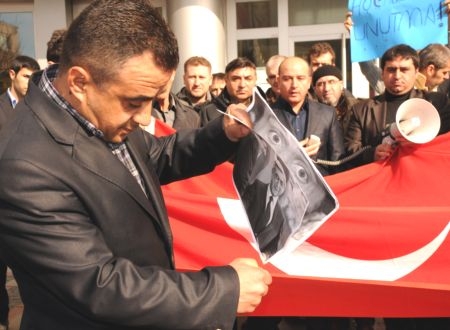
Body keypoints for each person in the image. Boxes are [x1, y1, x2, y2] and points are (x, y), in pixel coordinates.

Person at [0, 1, 272, 329]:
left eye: (153, 99)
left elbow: (156, 155)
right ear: (79, 83)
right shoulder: (22, 165)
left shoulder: (100, 112)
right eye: (134, 102)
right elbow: (99, 286)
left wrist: (223, 134)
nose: (145, 118)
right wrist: (222, 291)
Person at [345, 44, 450, 169]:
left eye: (404, 70)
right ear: (382, 73)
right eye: (391, 70)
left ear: (416, 73)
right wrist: (372, 154)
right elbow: (348, 151)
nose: (397, 76)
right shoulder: (361, 110)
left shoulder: (436, 103)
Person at [272, 56, 345, 176]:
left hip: (319, 189)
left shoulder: (327, 113)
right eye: (287, 79)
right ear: (278, 81)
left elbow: (338, 162)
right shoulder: (266, 114)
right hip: (280, 188)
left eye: (300, 78)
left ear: (309, 82)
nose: (294, 85)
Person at [201, 57, 261, 125]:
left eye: (248, 79)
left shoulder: (268, 108)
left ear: (255, 79)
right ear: (226, 80)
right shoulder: (209, 112)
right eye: (236, 79)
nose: (242, 85)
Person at [312, 64, 359, 136]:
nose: (326, 88)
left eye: (331, 82)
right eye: (321, 84)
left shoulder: (358, 110)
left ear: (341, 85)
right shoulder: (309, 113)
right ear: (315, 89)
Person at [0, 55, 40, 129]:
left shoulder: (38, 106)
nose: (30, 82)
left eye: (33, 78)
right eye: (26, 76)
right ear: (12, 74)